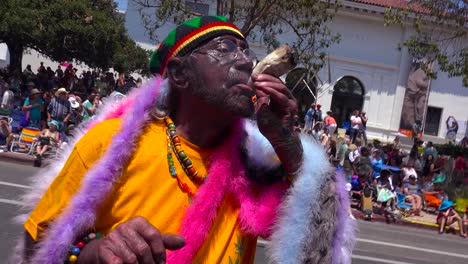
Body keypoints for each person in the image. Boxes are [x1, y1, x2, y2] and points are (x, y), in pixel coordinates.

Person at [13, 16, 354, 264]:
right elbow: (38, 246)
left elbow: (318, 248)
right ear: (179, 74)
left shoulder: (258, 164)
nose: (245, 61)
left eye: (245, 51)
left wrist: (289, 144)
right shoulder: (113, 143)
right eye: (225, 49)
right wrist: (93, 254)